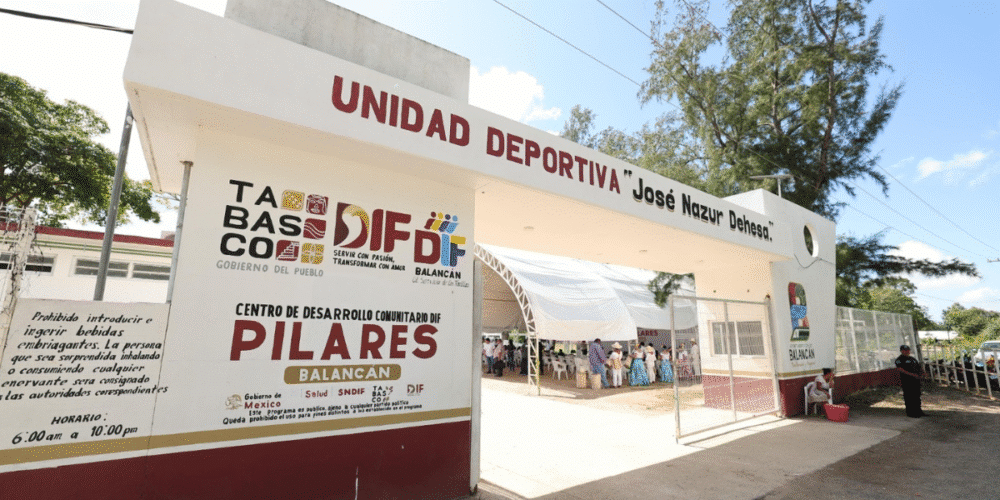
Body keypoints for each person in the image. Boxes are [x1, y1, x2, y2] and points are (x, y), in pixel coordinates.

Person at [895, 345, 926, 418]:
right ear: (902, 351)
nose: (907, 351)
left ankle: (918, 411)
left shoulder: (912, 359)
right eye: (905, 350)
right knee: (909, 397)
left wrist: (923, 372)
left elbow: (919, 367)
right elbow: (900, 369)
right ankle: (911, 412)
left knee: (917, 396)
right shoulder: (900, 359)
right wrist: (912, 374)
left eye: (908, 350)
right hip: (907, 381)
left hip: (916, 381)